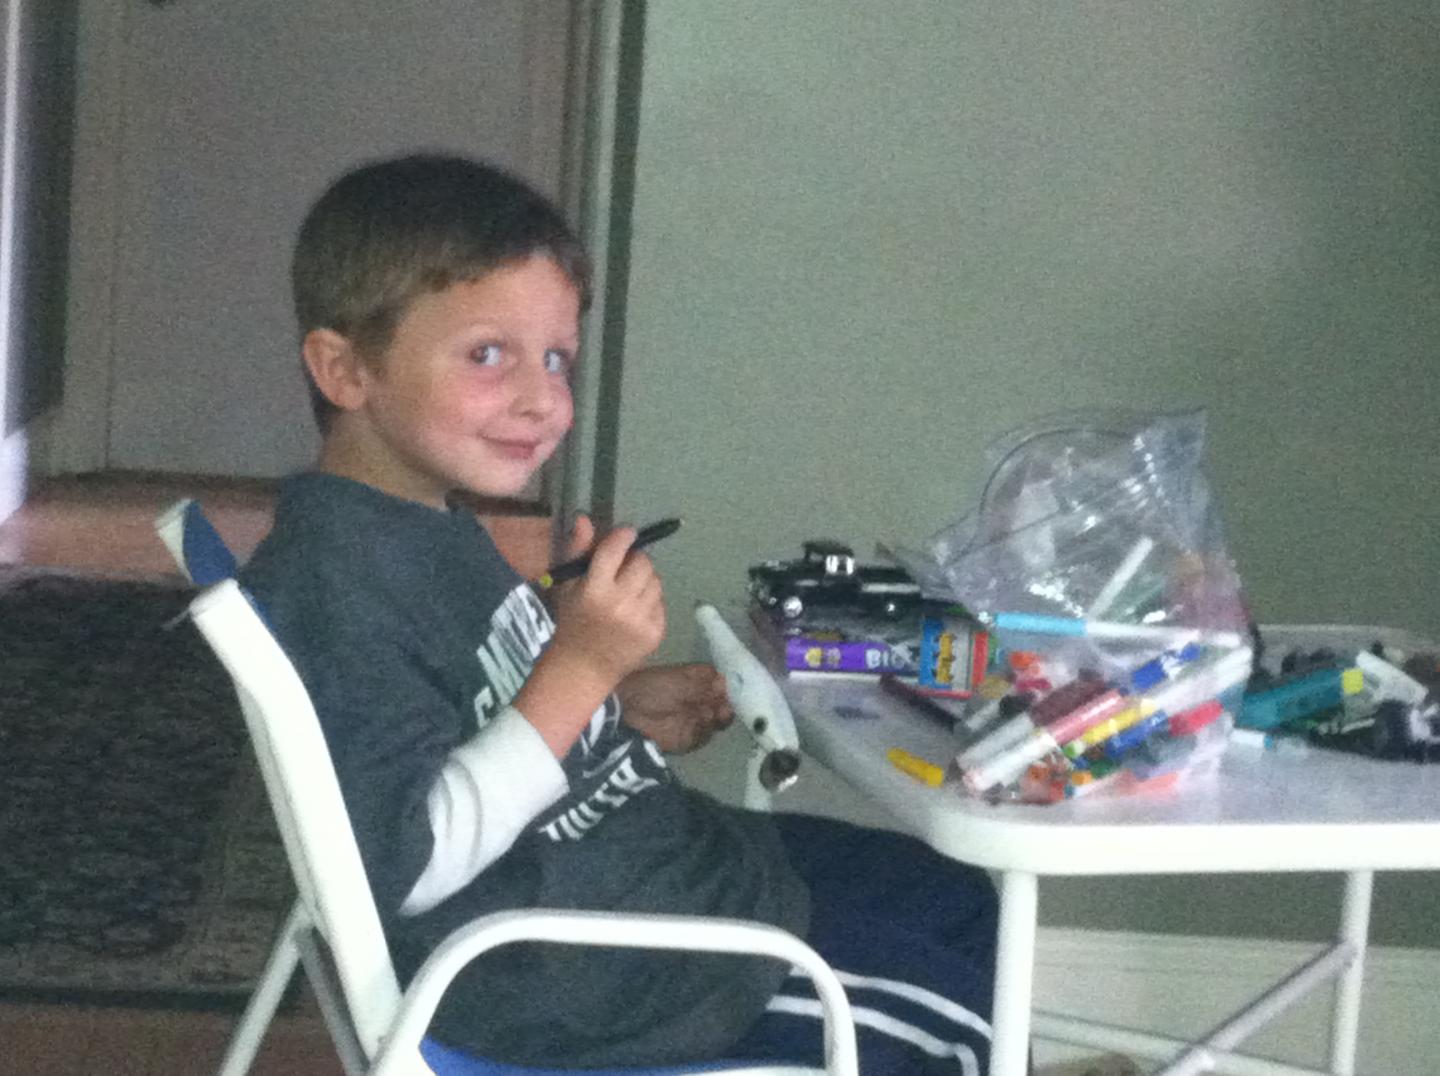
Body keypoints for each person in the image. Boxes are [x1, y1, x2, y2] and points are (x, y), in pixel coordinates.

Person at [242, 152, 998, 1073]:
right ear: (345, 369)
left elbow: (462, 715)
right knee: (959, 1028)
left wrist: (614, 707)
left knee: (957, 896)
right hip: (605, 980)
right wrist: (580, 670)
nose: (543, 400)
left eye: (556, 358)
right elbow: (406, 860)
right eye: (488, 354)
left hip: (665, 874)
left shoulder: (416, 523)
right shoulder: (337, 582)